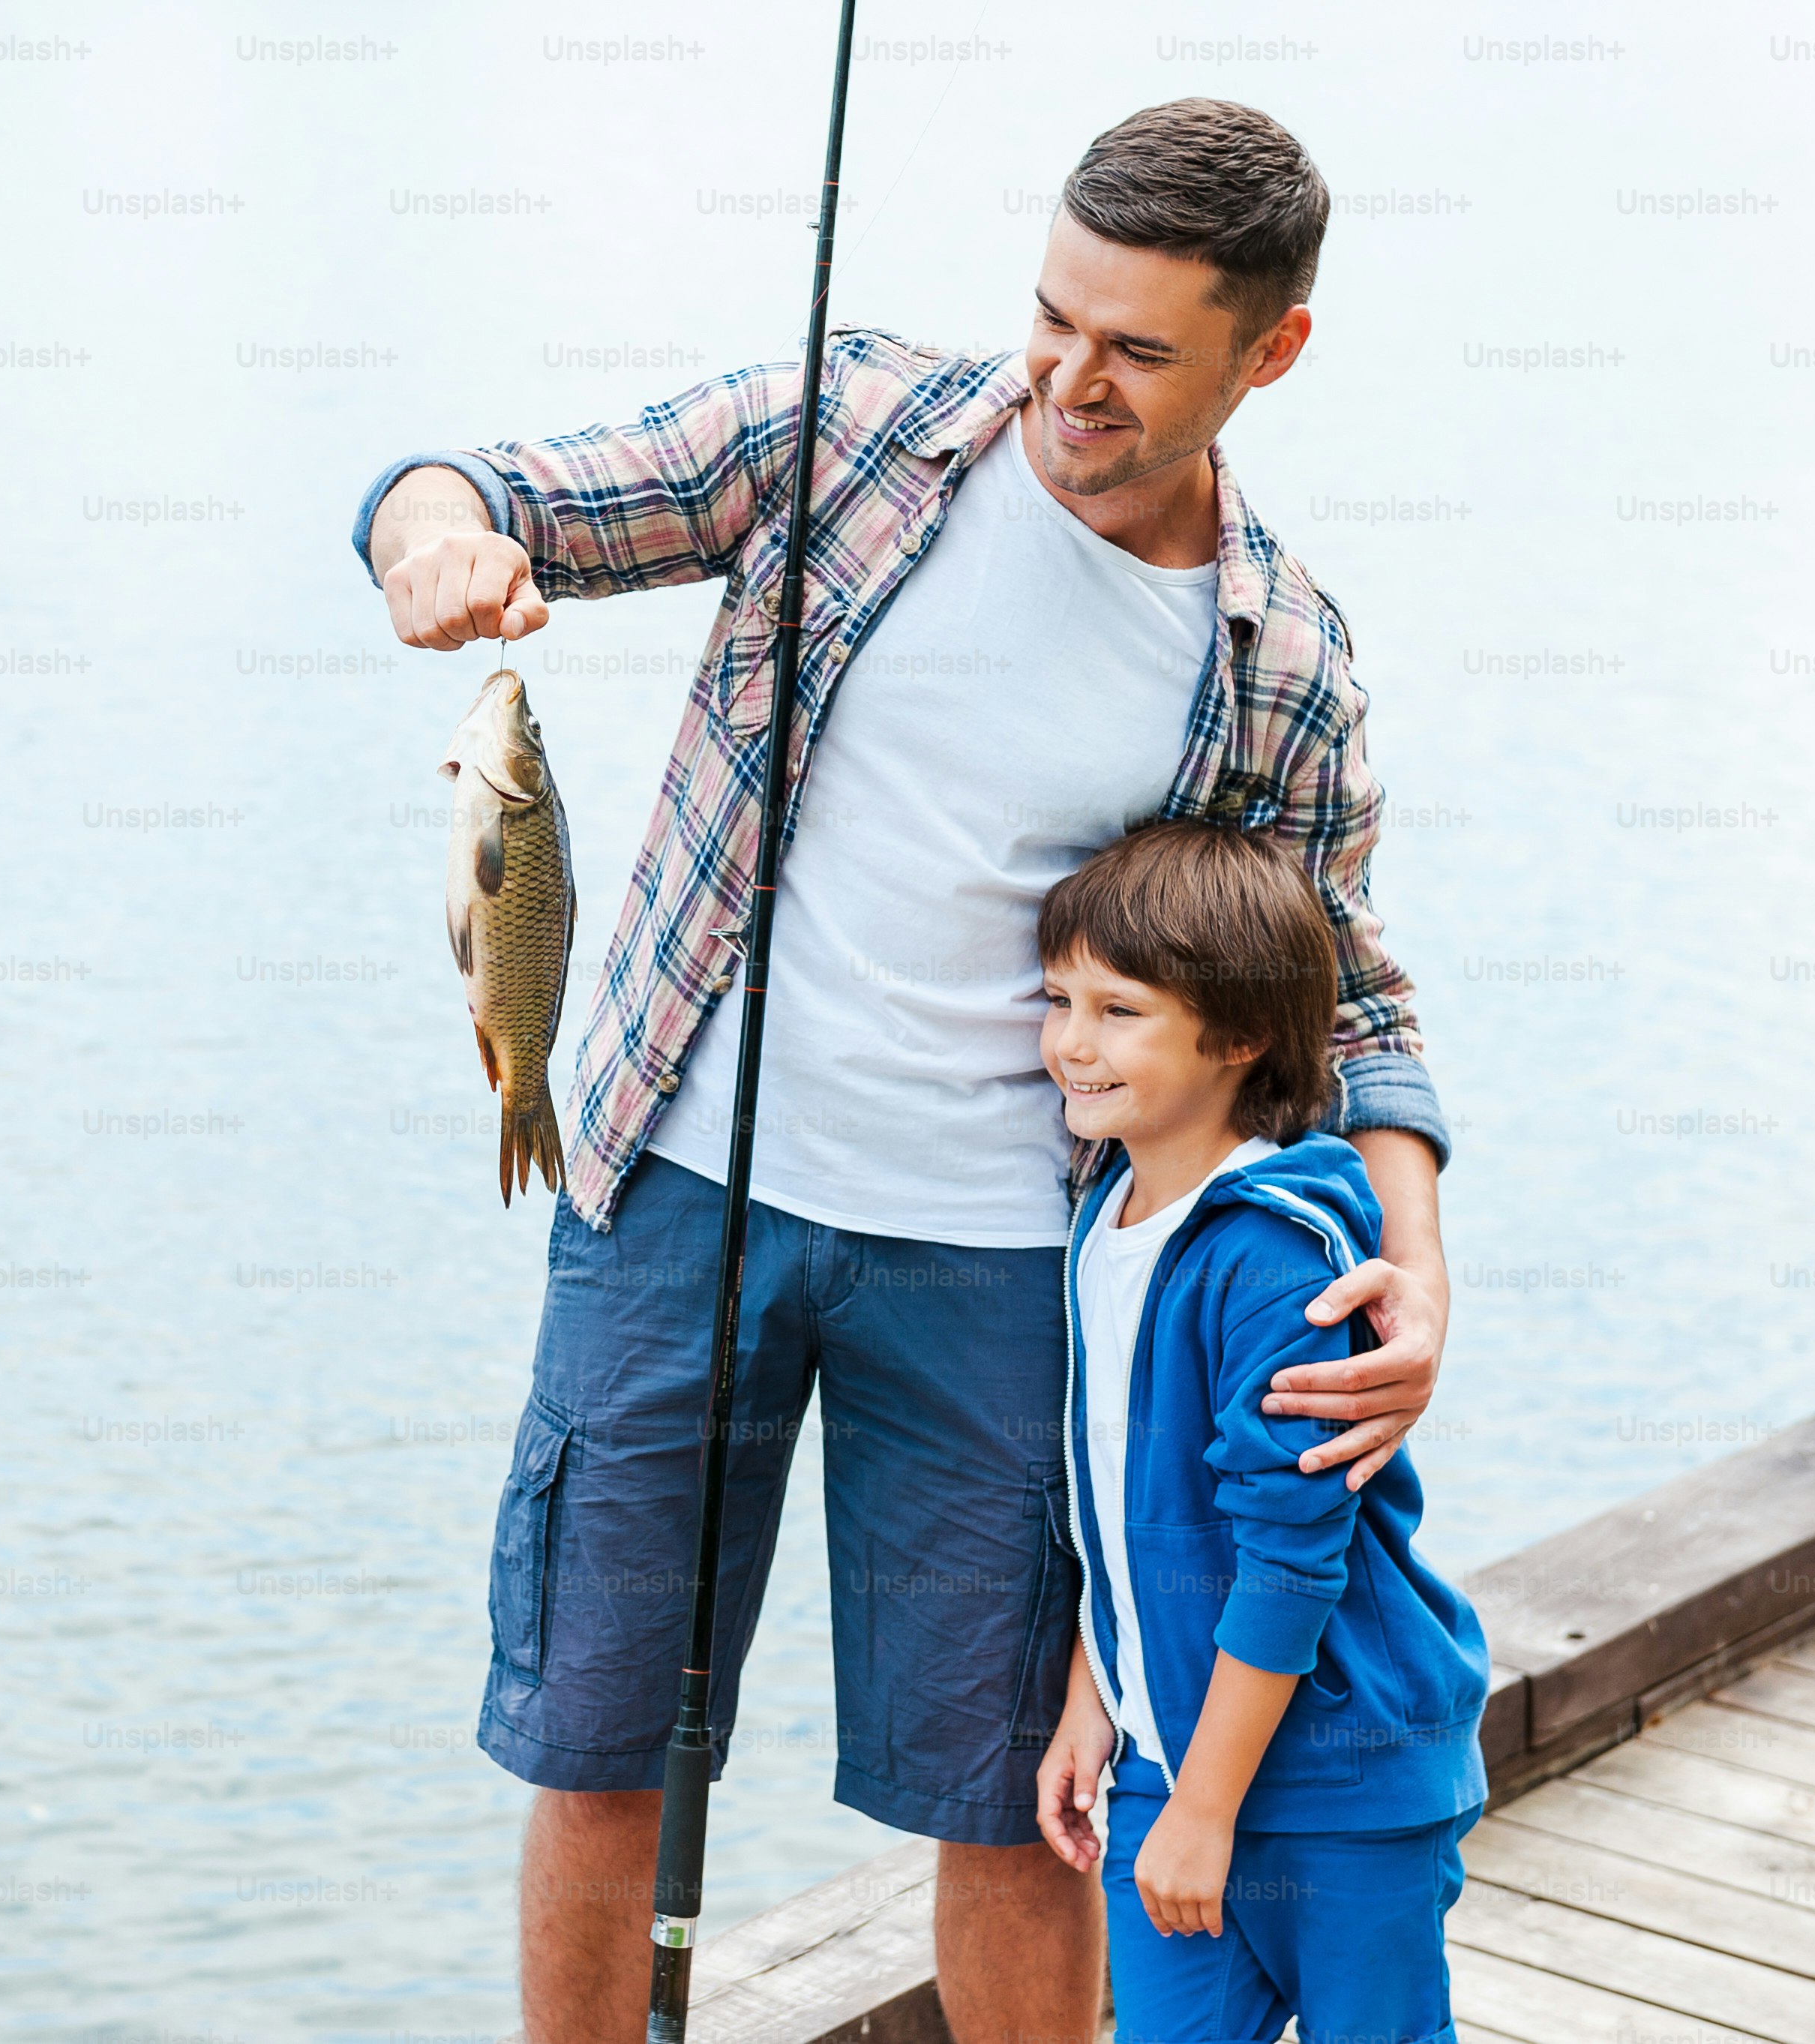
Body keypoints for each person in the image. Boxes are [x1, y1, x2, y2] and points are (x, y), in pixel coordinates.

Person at [351, 100, 1456, 2039]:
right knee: (603, 1739)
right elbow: (495, 483)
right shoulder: (851, 427)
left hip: (1009, 1272)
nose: (1067, 377)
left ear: (1270, 352)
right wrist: (437, 536)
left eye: (1137, 349)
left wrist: (1417, 1263)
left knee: (1020, 1797)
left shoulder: (1278, 662)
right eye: (1053, 313)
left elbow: (1349, 1001)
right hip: (677, 1194)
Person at [1029, 821, 1487, 2043]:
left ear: (1238, 1039)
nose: (1072, 1041)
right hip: (1168, 1760)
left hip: (1338, 1780)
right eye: (1059, 997)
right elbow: (1118, 1504)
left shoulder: (1276, 1258)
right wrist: (1100, 1699)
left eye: (1119, 1009)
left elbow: (1289, 1555)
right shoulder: (1105, 1218)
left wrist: (1208, 1809)